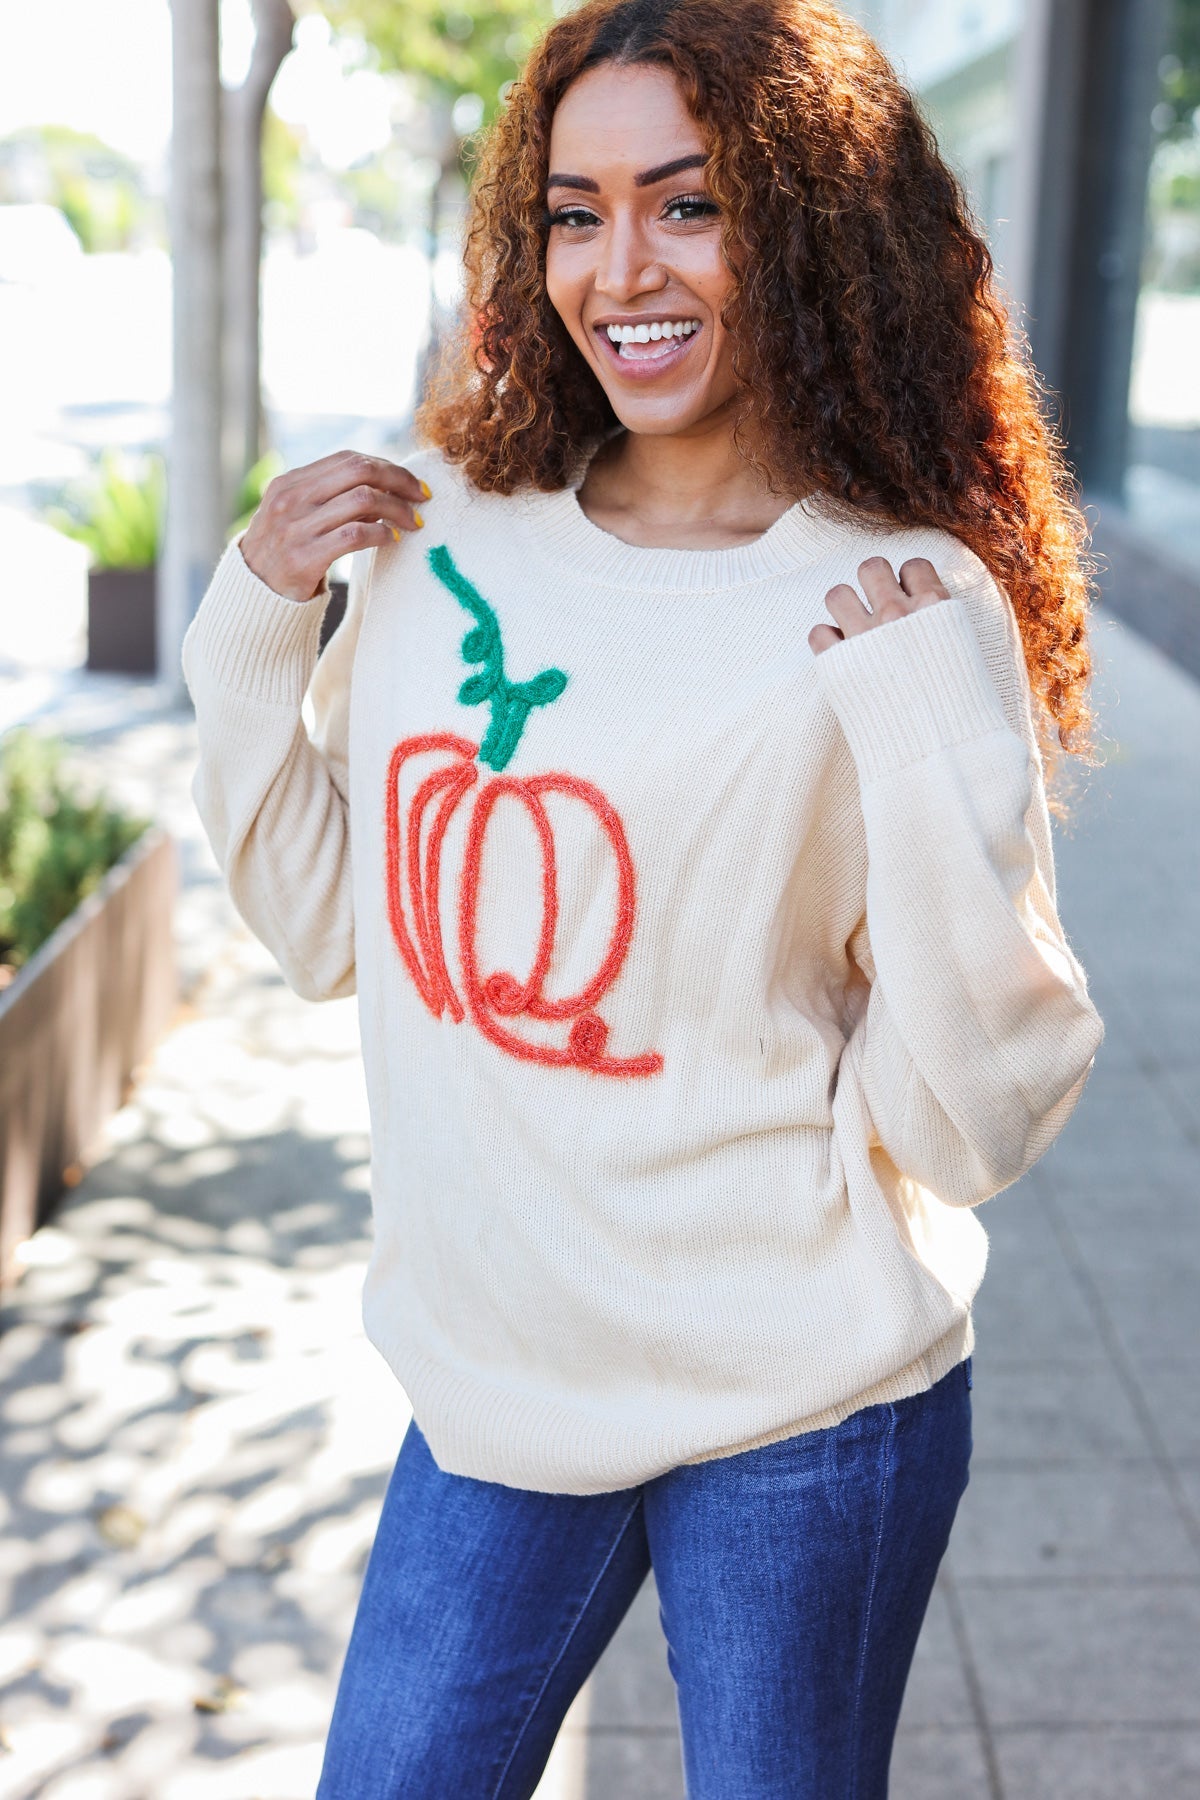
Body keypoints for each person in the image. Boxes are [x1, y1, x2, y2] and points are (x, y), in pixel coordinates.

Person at [181, 0, 1105, 1792]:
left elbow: (974, 1118)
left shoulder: (903, 600)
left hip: (805, 1409)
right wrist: (250, 625)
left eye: (691, 203)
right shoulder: (448, 526)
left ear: (806, 219)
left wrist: (921, 743)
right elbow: (324, 924)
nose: (625, 268)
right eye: (576, 210)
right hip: (498, 1386)